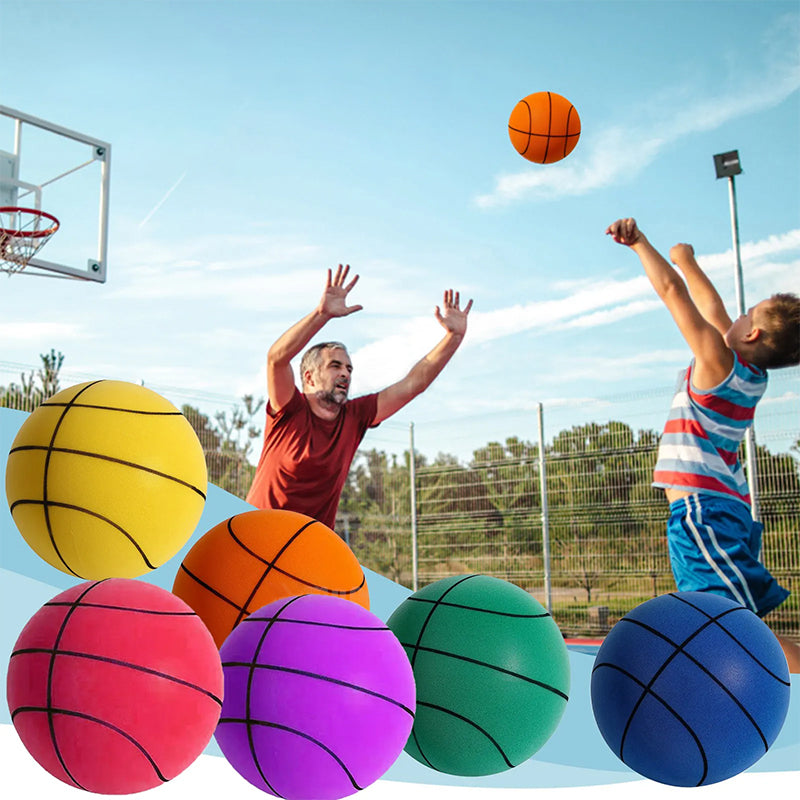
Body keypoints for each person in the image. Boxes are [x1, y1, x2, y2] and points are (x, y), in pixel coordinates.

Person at [606, 217, 800, 673]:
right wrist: (689, 261)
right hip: (720, 508)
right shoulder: (751, 375)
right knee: (724, 621)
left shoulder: (716, 361)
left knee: (733, 625)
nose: (736, 316)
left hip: (702, 512)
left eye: (747, 314)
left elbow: (675, 295)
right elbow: (714, 310)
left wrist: (641, 245)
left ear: (750, 334)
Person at [246, 263, 472, 532]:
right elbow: (276, 359)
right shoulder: (290, 409)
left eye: (349, 368)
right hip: (257, 533)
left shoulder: (355, 416)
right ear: (308, 377)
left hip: (307, 546)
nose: (345, 374)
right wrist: (322, 314)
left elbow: (414, 384)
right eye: (335, 366)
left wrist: (454, 337)